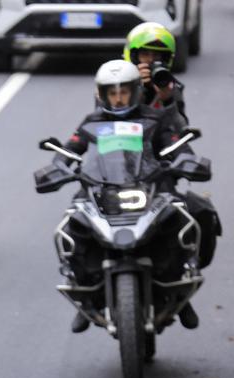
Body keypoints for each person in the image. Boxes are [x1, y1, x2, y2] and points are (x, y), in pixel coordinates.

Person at [62, 60, 195, 332]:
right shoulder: (92, 123)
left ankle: (182, 294)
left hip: (150, 187)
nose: (119, 98)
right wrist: (56, 166)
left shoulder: (154, 120)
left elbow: (176, 145)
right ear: (102, 94)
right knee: (72, 224)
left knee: (189, 216)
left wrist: (188, 161)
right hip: (101, 189)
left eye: (124, 91)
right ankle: (85, 295)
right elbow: (70, 148)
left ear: (135, 90)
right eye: (113, 93)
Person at [123, 24, 220, 273]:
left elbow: (180, 129)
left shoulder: (170, 89)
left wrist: (166, 98)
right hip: (116, 168)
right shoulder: (115, 86)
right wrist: (137, 90)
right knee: (77, 214)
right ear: (133, 56)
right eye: (146, 55)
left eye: (159, 57)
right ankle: (81, 281)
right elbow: (104, 122)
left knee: (200, 213)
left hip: (158, 171)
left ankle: (183, 278)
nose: (152, 61)